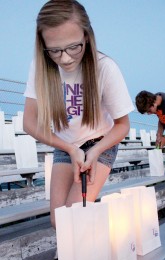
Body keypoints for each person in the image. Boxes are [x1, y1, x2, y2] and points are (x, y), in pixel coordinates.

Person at [23, 0, 134, 228]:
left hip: (100, 143)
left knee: (75, 216)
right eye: (54, 50)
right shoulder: (40, 66)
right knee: (58, 221)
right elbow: (29, 123)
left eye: (73, 47)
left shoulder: (105, 68)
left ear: (86, 36)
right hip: (66, 145)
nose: (64, 58)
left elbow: (123, 125)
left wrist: (95, 150)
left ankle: (96, 257)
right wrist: (71, 149)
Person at [135, 90, 165, 216]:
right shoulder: (157, 101)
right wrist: (159, 133)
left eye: (149, 111)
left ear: (153, 103)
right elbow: (161, 119)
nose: (149, 114)